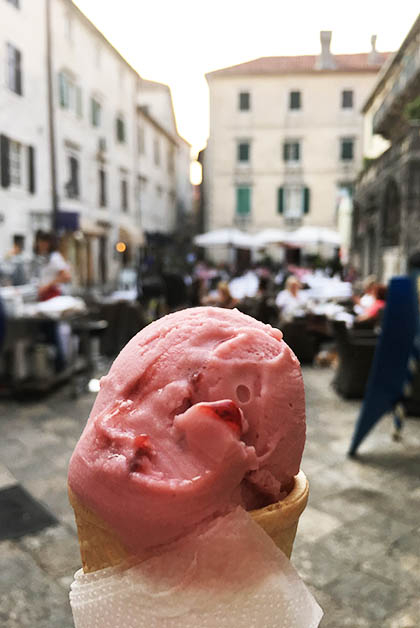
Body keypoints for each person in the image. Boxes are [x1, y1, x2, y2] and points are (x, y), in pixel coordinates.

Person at [36, 231, 72, 301]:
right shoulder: (46, 257)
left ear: (47, 243)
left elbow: (66, 276)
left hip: (53, 294)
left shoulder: (55, 258)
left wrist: (48, 286)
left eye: (40, 242)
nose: (38, 245)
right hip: (46, 295)